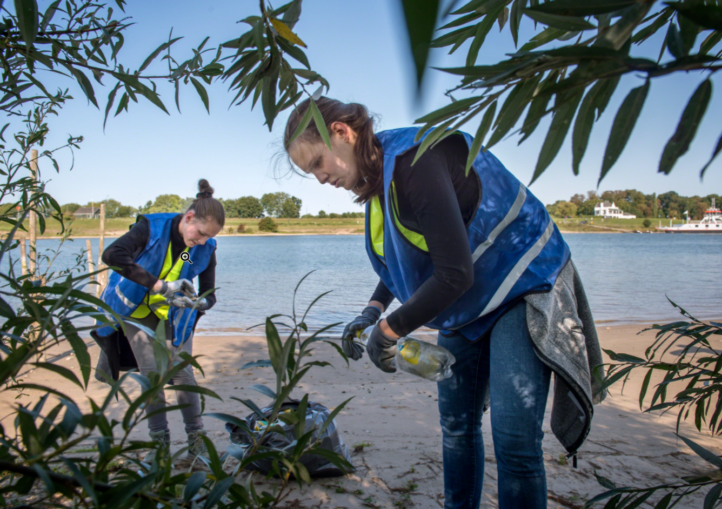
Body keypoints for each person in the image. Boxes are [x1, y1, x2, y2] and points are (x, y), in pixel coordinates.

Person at [283, 98, 604, 509]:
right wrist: (372, 310)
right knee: (456, 426)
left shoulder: (415, 163)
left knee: (514, 438)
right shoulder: (381, 181)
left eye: (317, 163)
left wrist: (388, 331)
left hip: (521, 283)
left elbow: (454, 273)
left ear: (342, 133)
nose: (320, 178)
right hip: (468, 303)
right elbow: (402, 261)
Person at [92, 179, 224, 461]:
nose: (201, 241)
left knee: (182, 373)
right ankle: (159, 446)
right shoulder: (151, 227)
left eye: (207, 238)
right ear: (189, 217)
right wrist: (159, 286)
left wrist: (199, 302)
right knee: (151, 376)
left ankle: (196, 443)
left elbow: (210, 293)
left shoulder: (203, 246)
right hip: (135, 311)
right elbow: (111, 255)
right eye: (199, 234)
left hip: (176, 314)